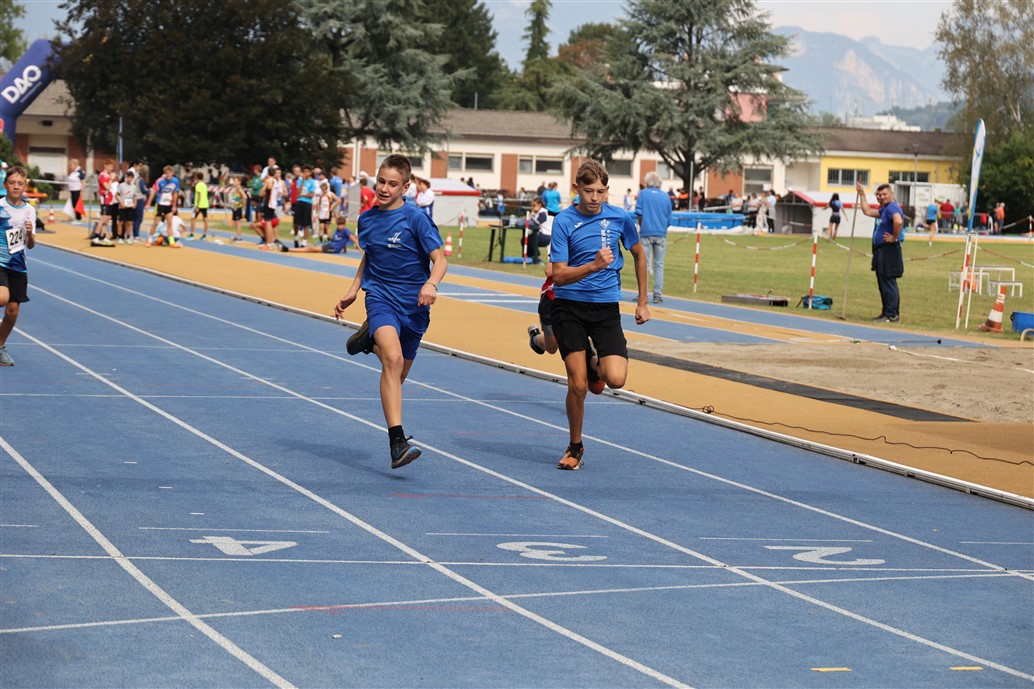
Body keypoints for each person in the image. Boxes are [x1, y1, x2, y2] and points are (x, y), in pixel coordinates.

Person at [334, 154, 447, 470]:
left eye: (392, 184)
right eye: (381, 182)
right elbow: (370, 256)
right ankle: (397, 443)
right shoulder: (367, 219)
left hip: (415, 307)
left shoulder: (416, 219)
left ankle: (370, 339)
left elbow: (440, 261)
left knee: (397, 376)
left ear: (405, 187)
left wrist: (431, 284)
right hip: (381, 298)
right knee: (393, 361)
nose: (384, 188)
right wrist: (354, 289)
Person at [549, 160, 650, 471]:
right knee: (578, 385)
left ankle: (595, 365)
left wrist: (642, 301)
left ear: (607, 191)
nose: (594, 198)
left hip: (605, 307)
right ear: (576, 189)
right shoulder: (564, 221)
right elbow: (558, 276)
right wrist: (593, 266)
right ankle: (575, 446)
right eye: (589, 191)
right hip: (569, 307)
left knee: (616, 379)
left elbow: (639, 254)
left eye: (601, 192)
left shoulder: (620, 217)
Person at [0, 166, 37, 366]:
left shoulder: (29, 210)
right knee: (2, 298)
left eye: (20, 184)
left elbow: (30, 245)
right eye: (12, 183)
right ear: (5, 184)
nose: (16, 186)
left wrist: (29, 233)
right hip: (0, 261)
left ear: (25, 186)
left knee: (12, 311)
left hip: (18, 264)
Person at [856, 181, 903, 323]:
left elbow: (898, 221)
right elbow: (868, 211)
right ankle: (886, 312)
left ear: (891, 194)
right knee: (883, 282)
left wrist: (894, 237)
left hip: (888, 250)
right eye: (879, 195)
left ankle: (892, 315)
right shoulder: (884, 209)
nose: (881, 197)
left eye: (884, 194)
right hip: (880, 250)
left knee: (888, 282)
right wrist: (862, 194)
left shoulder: (892, 207)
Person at [635, 171, 673, 304]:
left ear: (647, 182)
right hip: (661, 233)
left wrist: (642, 226)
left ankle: (643, 294)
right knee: (659, 264)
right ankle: (657, 294)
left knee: (643, 263)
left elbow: (639, 214)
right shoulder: (665, 196)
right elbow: (669, 219)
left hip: (646, 232)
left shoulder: (643, 194)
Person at [280, 214, 359, 254]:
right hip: (331, 245)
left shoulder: (346, 230)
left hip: (334, 248)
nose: (339, 226)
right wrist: (344, 249)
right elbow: (341, 240)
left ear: (344, 224)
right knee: (312, 248)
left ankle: (289, 249)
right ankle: (289, 249)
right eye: (338, 224)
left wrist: (360, 248)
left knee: (312, 249)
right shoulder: (337, 230)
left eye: (341, 224)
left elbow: (353, 239)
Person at [527, 262, 559, 356]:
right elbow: (549, 271)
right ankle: (535, 337)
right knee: (552, 347)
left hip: (583, 299)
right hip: (552, 299)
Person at [145, 166, 181, 242]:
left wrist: (174, 206)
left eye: (170, 173)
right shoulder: (160, 181)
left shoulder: (175, 181)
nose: (168, 175)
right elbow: (153, 191)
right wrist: (148, 203)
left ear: (172, 173)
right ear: (164, 173)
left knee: (169, 223)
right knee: (156, 223)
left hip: (169, 205)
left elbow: (175, 193)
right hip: (160, 204)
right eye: (167, 173)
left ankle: (171, 241)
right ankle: (150, 239)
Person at [525, 197, 550, 264]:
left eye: (534, 205)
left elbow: (535, 224)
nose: (532, 207)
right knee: (524, 240)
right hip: (538, 234)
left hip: (546, 236)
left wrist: (532, 215)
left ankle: (538, 258)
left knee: (532, 240)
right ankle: (529, 257)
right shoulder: (537, 213)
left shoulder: (543, 213)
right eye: (531, 205)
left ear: (539, 205)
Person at [188, 172, 210, 240]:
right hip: (205, 204)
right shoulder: (204, 185)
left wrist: (197, 206)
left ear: (196, 177)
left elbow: (199, 196)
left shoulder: (198, 185)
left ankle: (191, 235)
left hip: (199, 205)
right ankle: (204, 235)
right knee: (205, 220)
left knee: (193, 219)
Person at [226, 175, 247, 242]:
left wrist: (239, 202)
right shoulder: (235, 189)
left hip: (238, 207)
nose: (234, 182)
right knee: (235, 223)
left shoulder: (239, 188)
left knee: (238, 223)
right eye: (234, 181)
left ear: (239, 182)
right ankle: (237, 235)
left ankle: (239, 237)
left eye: (235, 181)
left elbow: (245, 197)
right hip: (235, 207)